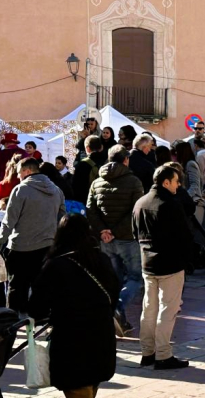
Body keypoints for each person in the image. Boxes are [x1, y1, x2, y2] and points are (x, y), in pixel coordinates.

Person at [29, 214, 122, 398]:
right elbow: (116, 294)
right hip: (102, 345)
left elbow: (36, 307)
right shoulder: (102, 261)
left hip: (73, 348)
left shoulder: (57, 265)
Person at [133, 164, 193, 371]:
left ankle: (147, 352)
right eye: (176, 181)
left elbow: (135, 232)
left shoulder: (140, 203)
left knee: (149, 308)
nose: (178, 185)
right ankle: (163, 354)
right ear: (166, 182)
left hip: (147, 263)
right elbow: (184, 235)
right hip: (170, 264)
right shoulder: (170, 204)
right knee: (167, 309)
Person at [0, 157, 65, 317]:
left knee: (16, 286)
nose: (18, 177)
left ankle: (13, 320)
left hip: (21, 247)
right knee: (41, 286)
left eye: (19, 173)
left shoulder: (21, 190)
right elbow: (62, 217)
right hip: (47, 246)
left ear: (27, 171)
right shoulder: (56, 190)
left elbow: (8, 221)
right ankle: (39, 320)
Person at [86, 145, 145, 338]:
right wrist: (112, 231)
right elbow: (135, 212)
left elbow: (90, 210)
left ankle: (120, 318)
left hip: (106, 240)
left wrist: (103, 231)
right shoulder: (133, 181)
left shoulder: (97, 182)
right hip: (127, 238)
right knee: (135, 277)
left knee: (115, 280)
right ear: (125, 160)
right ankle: (118, 309)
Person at [72, 136, 107, 205]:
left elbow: (76, 188)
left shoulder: (82, 165)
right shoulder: (109, 162)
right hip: (106, 202)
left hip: (88, 202)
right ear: (101, 147)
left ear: (87, 149)